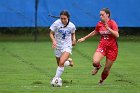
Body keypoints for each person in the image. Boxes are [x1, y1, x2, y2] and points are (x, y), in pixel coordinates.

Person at [77, 8, 119, 85]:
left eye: (102, 14)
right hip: (102, 46)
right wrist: (84, 38)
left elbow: (117, 35)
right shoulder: (99, 23)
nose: (100, 16)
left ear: (107, 15)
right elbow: (95, 31)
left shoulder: (112, 23)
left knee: (106, 69)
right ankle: (98, 66)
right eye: (100, 15)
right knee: (95, 62)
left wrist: (108, 28)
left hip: (112, 49)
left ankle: (101, 80)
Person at [49, 10, 76, 79]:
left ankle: (56, 79)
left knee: (61, 63)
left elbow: (73, 33)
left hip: (67, 45)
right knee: (60, 64)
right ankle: (69, 62)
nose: (63, 20)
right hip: (58, 45)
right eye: (61, 18)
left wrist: (74, 39)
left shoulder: (72, 26)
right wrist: (54, 41)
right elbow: (51, 33)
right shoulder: (56, 23)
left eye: (65, 19)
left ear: (68, 18)